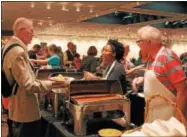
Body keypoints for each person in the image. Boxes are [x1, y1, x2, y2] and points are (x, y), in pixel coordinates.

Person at [2, 17, 63, 137]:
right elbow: (29, 85)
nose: (33, 34)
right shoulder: (18, 52)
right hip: (25, 111)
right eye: (31, 30)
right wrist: (53, 83)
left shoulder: (9, 48)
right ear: (21, 30)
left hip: (17, 107)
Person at [132, 25, 187, 123]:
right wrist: (143, 79)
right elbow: (161, 78)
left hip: (168, 114)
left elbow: (182, 91)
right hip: (153, 113)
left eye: (139, 41)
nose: (138, 45)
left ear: (148, 42)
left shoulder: (167, 57)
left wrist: (179, 119)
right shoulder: (151, 58)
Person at [84, 39, 127, 127]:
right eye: (103, 50)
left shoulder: (118, 68)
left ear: (114, 54)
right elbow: (106, 80)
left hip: (116, 112)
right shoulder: (110, 66)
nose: (103, 52)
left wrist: (94, 78)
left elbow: (108, 88)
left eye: (106, 51)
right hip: (109, 106)